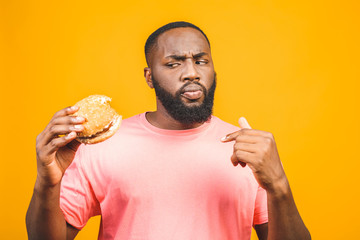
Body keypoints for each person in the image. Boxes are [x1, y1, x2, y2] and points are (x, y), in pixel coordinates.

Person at [26, 21, 311, 240]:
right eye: (173, 63)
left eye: (201, 61)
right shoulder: (102, 146)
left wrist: (279, 185)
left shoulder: (248, 149)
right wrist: (47, 182)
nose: (191, 73)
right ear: (150, 77)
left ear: (213, 70)